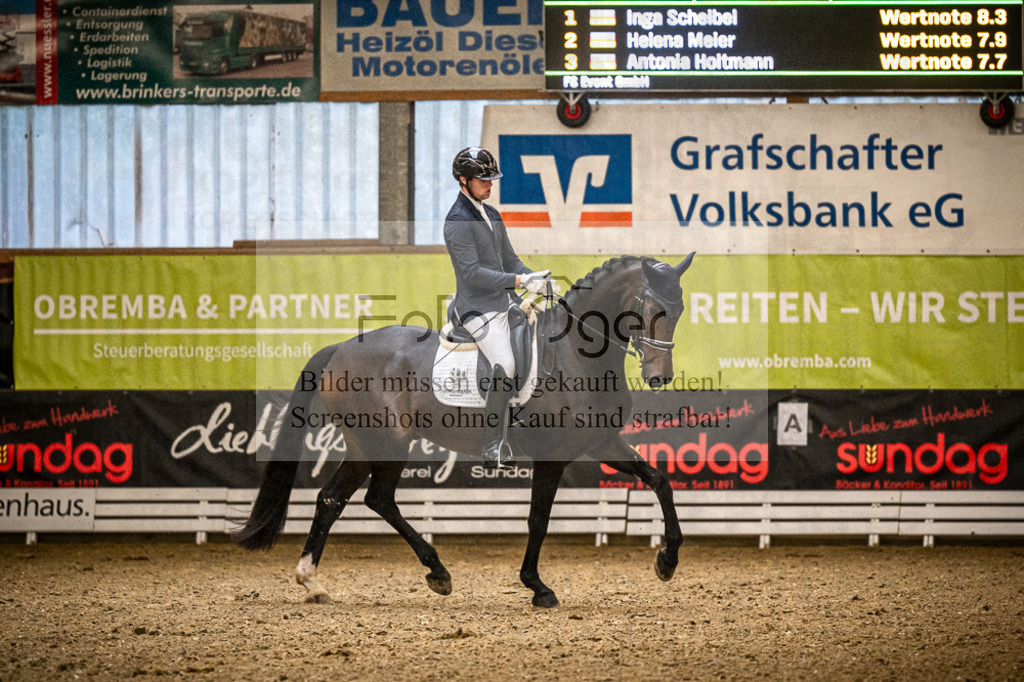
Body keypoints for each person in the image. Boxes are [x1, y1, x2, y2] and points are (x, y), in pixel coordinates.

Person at [443, 147, 550, 468]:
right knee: (506, 363)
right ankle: (492, 446)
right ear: (464, 180)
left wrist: (533, 277)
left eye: (492, 179)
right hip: (476, 307)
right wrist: (519, 281)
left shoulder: (491, 214)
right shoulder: (457, 221)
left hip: (503, 302)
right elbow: (472, 274)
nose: (490, 185)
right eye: (483, 180)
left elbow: (509, 260)